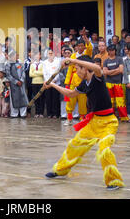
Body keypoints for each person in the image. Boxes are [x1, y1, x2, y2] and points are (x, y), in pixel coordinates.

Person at [44, 56, 125, 190]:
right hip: (93, 123)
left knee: (105, 150)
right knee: (74, 145)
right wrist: (52, 85)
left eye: (77, 69)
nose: (76, 72)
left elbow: (97, 68)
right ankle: (60, 170)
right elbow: (70, 94)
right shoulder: (84, 84)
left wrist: (73, 60)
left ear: (85, 69)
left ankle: (114, 181)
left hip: (108, 122)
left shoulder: (97, 78)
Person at [65, 27, 92, 121]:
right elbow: (69, 70)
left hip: (83, 80)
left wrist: (85, 38)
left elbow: (90, 47)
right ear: (76, 47)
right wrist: (67, 83)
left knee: (82, 100)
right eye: (78, 46)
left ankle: (82, 118)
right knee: (71, 100)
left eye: (82, 45)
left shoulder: (87, 54)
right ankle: (69, 118)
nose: (80, 47)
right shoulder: (73, 55)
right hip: (74, 80)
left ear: (84, 46)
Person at [103, 45, 127, 122]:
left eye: (112, 50)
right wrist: (115, 70)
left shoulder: (119, 59)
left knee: (120, 101)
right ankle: (111, 117)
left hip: (118, 83)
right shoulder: (106, 61)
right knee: (110, 101)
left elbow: (121, 70)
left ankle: (123, 117)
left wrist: (110, 72)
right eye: (109, 50)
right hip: (108, 83)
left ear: (115, 51)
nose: (111, 52)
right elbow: (105, 72)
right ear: (108, 51)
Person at [5, 50, 28, 118]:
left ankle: (23, 113)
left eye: (17, 55)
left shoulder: (21, 63)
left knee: (23, 98)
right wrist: (15, 81)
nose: (16, 56)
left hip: (21, 84)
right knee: (14, 99)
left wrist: (21, 80)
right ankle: (14, 114)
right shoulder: (8, 64)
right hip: (13, 85)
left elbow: (23, 72)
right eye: (15, 55)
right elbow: (8, 75)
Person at [43, 49, 61, 119]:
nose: (50, 55)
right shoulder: (44, 62)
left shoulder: (57, 61)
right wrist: (48, 82)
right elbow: (44, 73)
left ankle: (55, 113)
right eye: (49, 53)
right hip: (47, 83)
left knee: (55, 99)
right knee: (48, 99)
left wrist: (53, 81)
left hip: (55, 83)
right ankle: (49, 113)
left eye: (51, 53)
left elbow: (57, 72)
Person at [29, 52, 45, 118]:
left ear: (40, 55)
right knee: (36, 98)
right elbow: (30, 74)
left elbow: (43, 73)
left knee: (41, 97)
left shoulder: (43, 63)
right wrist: (38, 73)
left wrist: (35, 72)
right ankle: (37, 112)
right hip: (34, 82)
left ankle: (41, 112)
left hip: (41, 82)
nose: (37, 56)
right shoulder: (32, 64)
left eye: (38, 55)